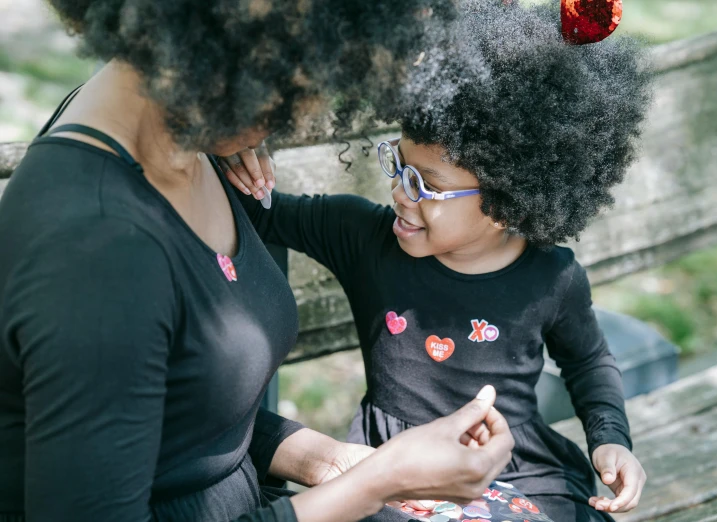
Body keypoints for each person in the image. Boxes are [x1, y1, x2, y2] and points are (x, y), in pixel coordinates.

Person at [0, 1, 516, 521]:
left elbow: (183, 420)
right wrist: (379, 481)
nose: (303, 111)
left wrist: (326, 459)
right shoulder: (94, 248)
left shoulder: (184, 145)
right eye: (299, 80)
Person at [221, 1, 653, 521]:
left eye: (426, 185)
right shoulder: (363, 236)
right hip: (393, 470)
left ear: (505, 202)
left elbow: (588, 362)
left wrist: (611, 439)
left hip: (516, 476)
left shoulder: (553, 278)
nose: (402, 195)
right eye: (400, 168)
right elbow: (260, 213)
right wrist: (231, 152)